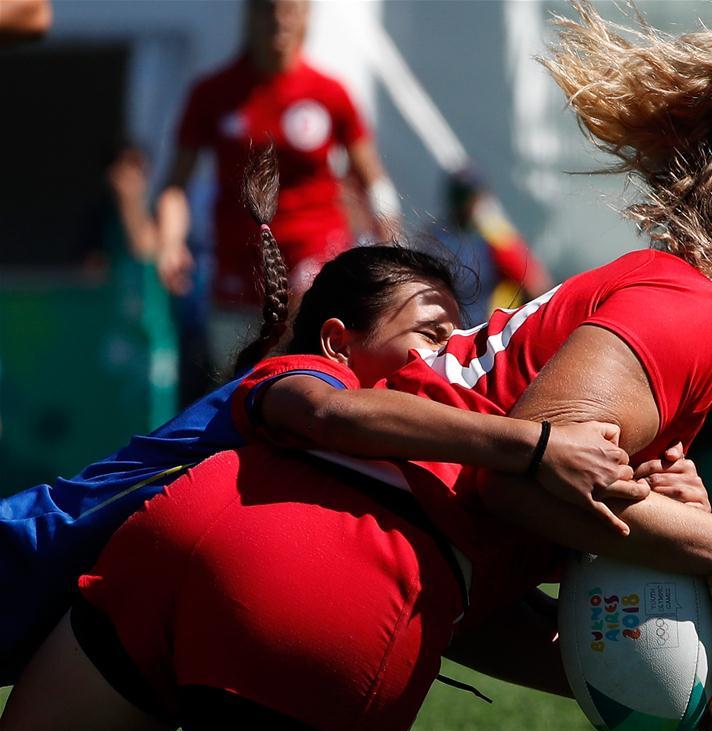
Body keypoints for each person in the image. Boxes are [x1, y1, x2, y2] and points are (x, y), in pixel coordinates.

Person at [0, 3, 712, 731]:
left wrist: (621, 664)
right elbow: (506, 478)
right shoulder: (696, 312)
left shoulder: (636, 310)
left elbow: (469, 558)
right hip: (332, 575)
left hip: (208, 517)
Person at [0, 231, 632, 686]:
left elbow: (471, 596)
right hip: (21, 554)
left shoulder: (381, 450)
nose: (450, 363)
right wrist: (541, 444)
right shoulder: (302, 379)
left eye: (458, 343)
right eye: (431, 338)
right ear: (337, 343)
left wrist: (624, 665)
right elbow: (327, 414)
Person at [156, 0, 402, 375]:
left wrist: (390, 238)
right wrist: (170, 243)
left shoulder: (330, 93)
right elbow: (175, 186)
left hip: (315, 249)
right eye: (268, 9)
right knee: (236, 380)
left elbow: (372, 179)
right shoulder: (212, 93)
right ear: (250, 15)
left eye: (291, 9)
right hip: (238, 261)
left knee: (305, 360)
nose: (279, 20)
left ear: (306, 16)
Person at [435, 166, 551, 324]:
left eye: (468, 196)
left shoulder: (497, 236)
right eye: (459, 195)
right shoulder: (436, 235)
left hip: (484, 332)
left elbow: (536, 285)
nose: (464, 203)